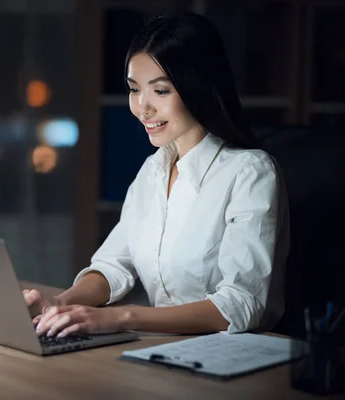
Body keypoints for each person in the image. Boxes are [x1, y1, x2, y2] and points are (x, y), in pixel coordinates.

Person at [24, 12, 290, 338]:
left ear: (199, 86)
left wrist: (122, 318)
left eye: (160, 91)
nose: (143, 107)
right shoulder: (153, 171)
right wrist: (59, 304)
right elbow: (114, 266)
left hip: (229, 360)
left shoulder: (250, 174)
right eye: (134, 89)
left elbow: (240, 304)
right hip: (160, 349)